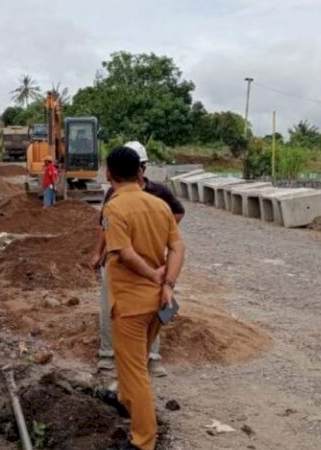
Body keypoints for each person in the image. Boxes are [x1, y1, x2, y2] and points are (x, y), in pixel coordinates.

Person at [101, 146, 185, 450]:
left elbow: (123, 253)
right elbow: (177, 248)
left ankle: (143, 441)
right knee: (133, 364)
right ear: (140, 172)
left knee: (136, 372)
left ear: (108, 174)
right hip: (158, 304)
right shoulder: (159, 205)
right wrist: (168, 284)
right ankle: (124, 400)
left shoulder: (114, 208)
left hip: (131, 306)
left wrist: (152, 276)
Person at [91, 141, 185, 378]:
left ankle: (149, 359)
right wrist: (97, 252)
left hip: (149, 263)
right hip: (122, 264)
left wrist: (160, 235)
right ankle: (110, 358)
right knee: (110, 309)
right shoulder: (114, 195)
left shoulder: (159, 194)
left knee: (154, 308)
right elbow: (105, 227)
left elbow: (177, 227)